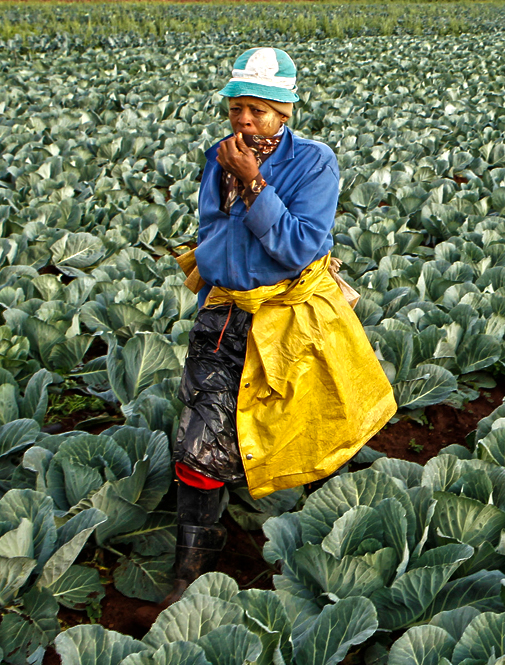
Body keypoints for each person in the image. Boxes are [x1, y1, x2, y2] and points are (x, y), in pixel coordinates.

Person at [164, 47, 396, 605]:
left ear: (285, 113)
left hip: (293, 315)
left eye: (260, 109)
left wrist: (254, 184)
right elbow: (213, 232)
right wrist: (234, 201)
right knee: (198, 440)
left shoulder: (314, 163)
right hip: (226, 312)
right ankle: (188, 573)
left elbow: (299, 245)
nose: (246, 119)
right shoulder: (217, 156)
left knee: (306, 426)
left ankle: (320, 548)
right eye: (238, 107)